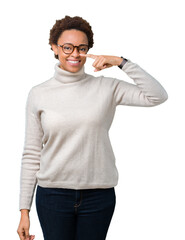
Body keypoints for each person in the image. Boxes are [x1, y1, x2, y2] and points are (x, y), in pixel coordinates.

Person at [17, 15, 168, 240]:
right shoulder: (39, 93)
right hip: (53, 196)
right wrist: (24, 210)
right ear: (54, 48)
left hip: (99, 195)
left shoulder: (107, 87)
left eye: (82, 48)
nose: (75, 54)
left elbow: (157, 96)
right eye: (67, 47)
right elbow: (31, 153)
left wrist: (120, 62)